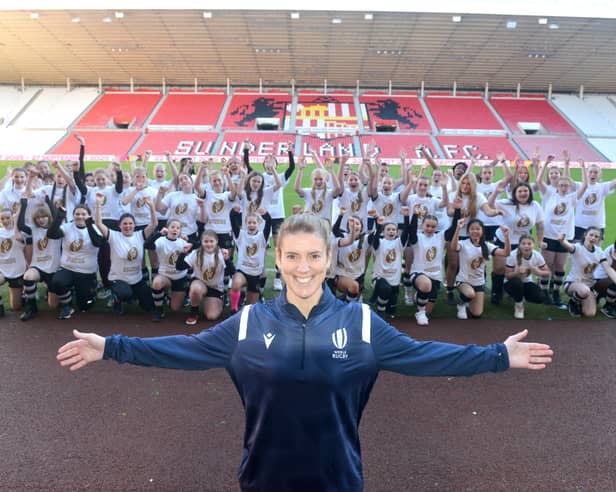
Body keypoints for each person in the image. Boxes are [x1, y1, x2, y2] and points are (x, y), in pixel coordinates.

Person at [58, 213, 553, 492]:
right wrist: (111, 347)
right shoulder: (249, 322)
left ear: (329, 259)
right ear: (277, 259)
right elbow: (184, 351)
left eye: (313, 256)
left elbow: (425, 356)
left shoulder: (360, 323)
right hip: (263, 478)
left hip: (337, 479)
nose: (303, 267)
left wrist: (496, 356)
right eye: (292, 256)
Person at [559, 228, 616, 318]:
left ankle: (580, 300)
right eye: (591, 235)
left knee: (590, 313)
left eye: (596, 236)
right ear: (585, 235)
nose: (593, 238)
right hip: (573, 283)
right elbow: (569, 246)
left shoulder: (599, 252)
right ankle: (573, 302)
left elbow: (608, 268)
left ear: (598, 239)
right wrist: (562, 241)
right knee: (584, 291)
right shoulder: (578, 247)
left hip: (589, 286)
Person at [504, 234, 550, 320]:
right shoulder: (512, 255)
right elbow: (507, 275)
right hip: (511, 283)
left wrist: (538, 272)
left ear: (533, 245)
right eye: (523, 243)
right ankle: (519, 306)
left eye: (529, 243)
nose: (526, 246)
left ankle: (520, 296)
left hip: (527, 282)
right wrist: (517, 273)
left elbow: (547, 272)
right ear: (519, 245)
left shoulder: (537, 255)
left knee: (540, 297)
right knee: (517, 283)